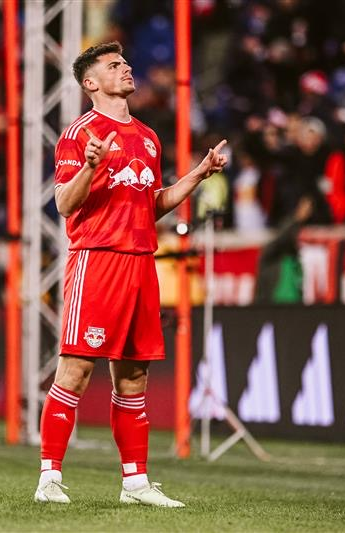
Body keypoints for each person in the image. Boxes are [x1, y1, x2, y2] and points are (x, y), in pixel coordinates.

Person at [35, 42, 228, 507]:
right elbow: (63, 203)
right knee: (77, 370)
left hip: (142, 264)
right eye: (114, 65)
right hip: (97, 261)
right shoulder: (80, 134)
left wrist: (198, 174)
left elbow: (152, 202)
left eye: (126, 62)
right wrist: (90, 167)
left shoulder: (147, 136)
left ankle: (135, 484)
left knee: (134, 377)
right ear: (90, 83)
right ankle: (49, 478)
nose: (126, 68)